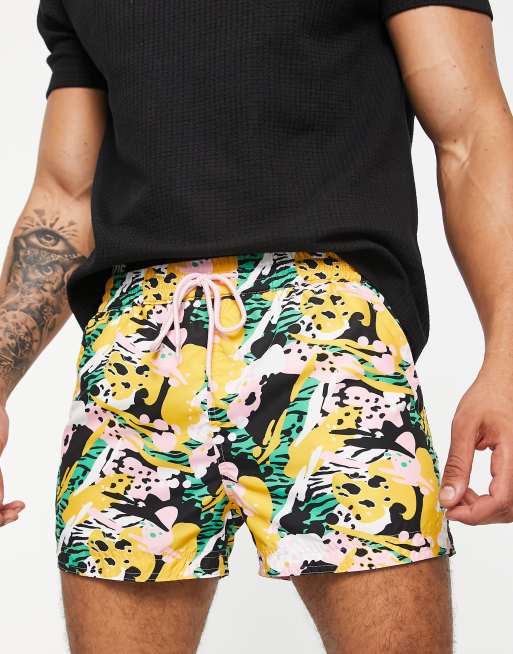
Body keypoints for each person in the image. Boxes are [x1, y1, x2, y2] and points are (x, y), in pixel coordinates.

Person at [1, 0, 512, 652]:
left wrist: (507, 359)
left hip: (324, 334)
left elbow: (470, 133)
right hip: (134, 347)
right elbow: (64, 195)